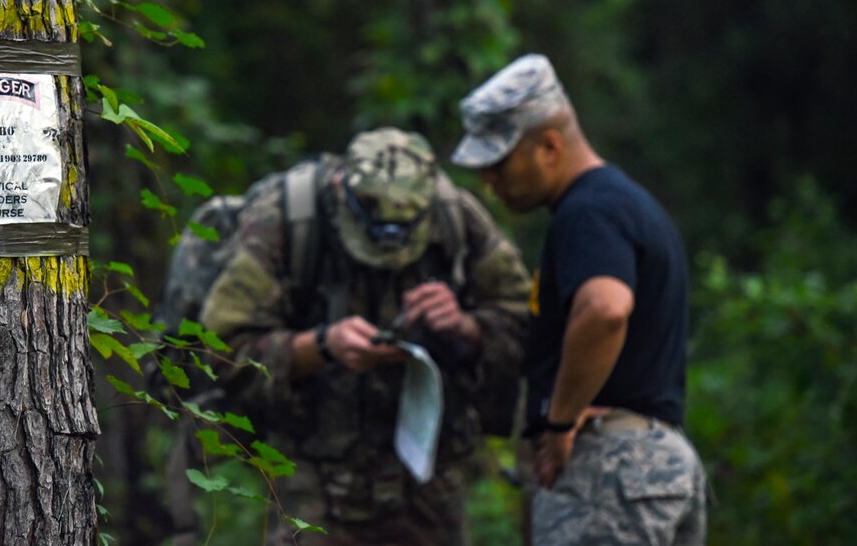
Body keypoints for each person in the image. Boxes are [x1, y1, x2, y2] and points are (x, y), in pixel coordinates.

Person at [200, 127, 531, 545]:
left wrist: (465, 326)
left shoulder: (457, 220)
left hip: (429, 481)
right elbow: (221, 347)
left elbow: (523, 326)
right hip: (314, 482)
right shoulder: (288, 222)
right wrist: (319, 347)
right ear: (342, 189)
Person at [451, 54, 707, 545]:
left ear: (549, 146)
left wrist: (560, 420)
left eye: (499, 163)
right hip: (658, 462)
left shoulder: (587, 212)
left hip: (609, 472)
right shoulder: (627, 203)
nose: (489, 181)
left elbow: (606, 308)